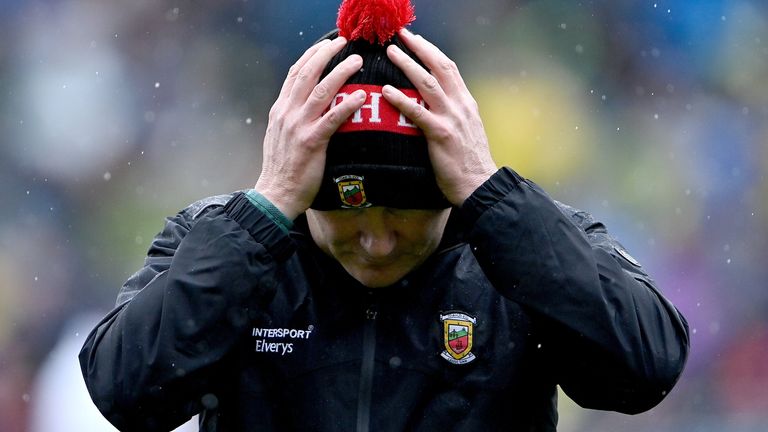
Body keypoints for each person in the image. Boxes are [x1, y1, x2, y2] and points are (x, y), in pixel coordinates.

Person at [79, 0, 689, 430]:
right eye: (347, 209)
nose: (375, 239)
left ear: (453, 188)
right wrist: (264, 212)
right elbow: (124, 393)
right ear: (301, 181)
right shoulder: (225, 238)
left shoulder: (520, 237)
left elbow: (644, 370)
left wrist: (491, 195)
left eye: (405, 209)